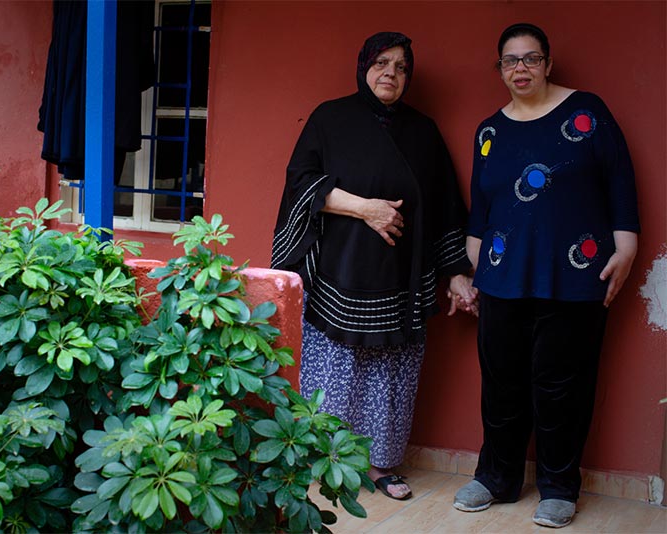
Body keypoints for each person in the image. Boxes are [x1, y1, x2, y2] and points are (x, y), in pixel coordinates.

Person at [271, 32, 477, 501]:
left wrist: (458, 273)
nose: (391, 74)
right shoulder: (331, 118)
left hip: (401, 277)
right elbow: (301, 182)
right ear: (363, 66)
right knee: (333, 370)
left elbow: (446, 204)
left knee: (391, 376)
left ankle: (382, 465)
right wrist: (366, 209)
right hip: (340, 273)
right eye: (382, 63)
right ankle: (322, 458)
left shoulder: (423, 131)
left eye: (402, 67)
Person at [452, 23, 640, 528]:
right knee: (501, 383)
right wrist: (471, 271)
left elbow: (620, 178)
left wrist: (627, 243)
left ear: (548, 64)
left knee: (563, 386)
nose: (520, 69)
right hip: (500, 275)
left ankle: (559, 486)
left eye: (530, 59)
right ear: (500, 68)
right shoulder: (489, 130)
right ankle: (496, 477)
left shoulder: (587, 113)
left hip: (575, 275)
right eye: (510, 61)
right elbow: (482, 207)